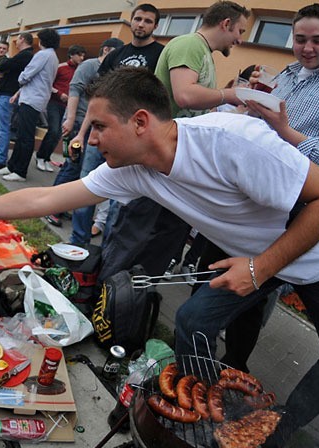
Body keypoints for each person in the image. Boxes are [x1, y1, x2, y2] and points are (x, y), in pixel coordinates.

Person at [0, 66, 319, 448]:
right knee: (193, 320)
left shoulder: (233, 140)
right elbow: (45, 197)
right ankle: (220, 423)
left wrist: (259, 269)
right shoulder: (133, 167)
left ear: (140, 122)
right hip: (258, 259)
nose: (91, 139)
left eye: (100, 127)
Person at [221, 2, 319, 375]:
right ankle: (205, 350)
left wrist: (284, 129)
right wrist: (250, 104)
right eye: (300, 39)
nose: (308, 48)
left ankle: (232, 366)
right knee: (220, 274)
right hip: (248, 192)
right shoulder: (283, 75)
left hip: (293, 205)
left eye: (317, 40)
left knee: (255, 290)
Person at [98, 0, 248, 283]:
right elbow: (185, 96)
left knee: (160, 241)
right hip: (156, 156)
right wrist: (231, 95)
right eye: (240, 30)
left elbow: (200, 109)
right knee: (133, 235)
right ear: (225, 24)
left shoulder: (203, 54)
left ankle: (133, 303)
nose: (240, 39)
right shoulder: (190, 45)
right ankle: (108, 302)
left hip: (175, 161)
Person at [61, 3, 165, 240]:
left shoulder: (161, 55)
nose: (141, 24)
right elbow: (97, 99)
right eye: (138, 19)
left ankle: (107, 255)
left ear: (155, 26)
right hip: (102, 132)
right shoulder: (115, 56)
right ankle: (77, 242)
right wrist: (81, 134)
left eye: (148, 21)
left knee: (120, 199)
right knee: (86, 187)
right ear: (131, 21)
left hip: (133, 139)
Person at [43, 37, 124, 229]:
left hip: (92, 126)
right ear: (106, 50)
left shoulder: (112, 72)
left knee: (80, 171)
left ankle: (65, 205)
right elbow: (75, 90)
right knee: (71, 166)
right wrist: (70, 120)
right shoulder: (90, 65)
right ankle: (52, 207)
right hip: (78, 123)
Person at [0, 28, 60, 182]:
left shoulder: (43, 54)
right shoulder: (53, 56)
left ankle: (20, 171)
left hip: (32, 99)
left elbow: (26, 75)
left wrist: (21, 78)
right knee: (22, 135)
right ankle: (12, 166)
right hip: (35, 98)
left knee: (25, 136)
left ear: (44, 40)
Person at [35, 44, 86, 173]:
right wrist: (59, 93)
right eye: (79, 55)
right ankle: (40, 157)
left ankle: (46, 158)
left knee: (59, 134)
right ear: (72, 55)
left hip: (68, 107)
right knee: (53, 130)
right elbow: (48, 83)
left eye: (83, 55)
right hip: (54, 103)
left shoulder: (81, 70)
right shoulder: (61, 67)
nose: (82, 58)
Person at [0, 32, 34, 170]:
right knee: (5, 126)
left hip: (7, 94)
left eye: (18, 39)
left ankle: (0, 158)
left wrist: (3, 67)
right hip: (13, 94)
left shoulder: (24, 55)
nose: (16, 41)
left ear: (22, 39)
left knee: (2, 127)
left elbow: (4, 66)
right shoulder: (27, 56)